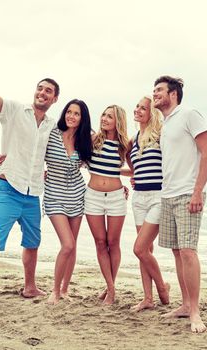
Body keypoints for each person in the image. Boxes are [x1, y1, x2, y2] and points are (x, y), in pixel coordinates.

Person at [0, 53, 59, 325]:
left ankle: (29, 286)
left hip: (33, 193)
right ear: (35, 92)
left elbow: (67, 147)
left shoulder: (52, 125)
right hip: (9, 187)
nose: (43, 93)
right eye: (40, 88)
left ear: (54, 99)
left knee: (32, 243)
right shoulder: (13, 109)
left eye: (49, 91)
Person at [153, 75, 207, 333]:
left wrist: (197, 191)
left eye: (159, 90)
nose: (155, 94)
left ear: (173, 94)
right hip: (167, 195)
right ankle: (186, 304)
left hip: (188, 194)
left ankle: (196, 313)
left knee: (189, 252)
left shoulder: (190, 114)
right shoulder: (166, 123)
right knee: (177, 252)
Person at [44, 99, 93, 304]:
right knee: (67, 244)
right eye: (69, 112)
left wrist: (119, 183)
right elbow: (32, 151)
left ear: (82, 118)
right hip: (54, 195)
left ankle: (65, 289)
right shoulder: (51, 133)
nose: (71, 116)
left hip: (77, 195)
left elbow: (98, 167)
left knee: (72, 246)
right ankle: (54, 291)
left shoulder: (86, 140)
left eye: (77, 114)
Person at [124, 96, 170, 311]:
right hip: (139, 199)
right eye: (137, 106)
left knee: (139, 249)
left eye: (144, 108)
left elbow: (171, 162)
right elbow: (135, 169)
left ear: (152, 112)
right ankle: (148, 298)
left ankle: (162, 287)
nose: (138, 110)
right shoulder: (134, 139)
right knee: (146, 250)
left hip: (157, 197)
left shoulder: (161, 134)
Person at [85, 105, 130, 305]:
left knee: (113, 242)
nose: (104, 118)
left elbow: (135, 168)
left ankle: (110, 287)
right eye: (103, 114)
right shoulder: (93, 139)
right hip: (93, 196)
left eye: (109, 116)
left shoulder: (125, 145)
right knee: (100, 243)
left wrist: (119, 176)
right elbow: (78, 161)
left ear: (118, 121)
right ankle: (111, 289)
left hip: (115, 197)